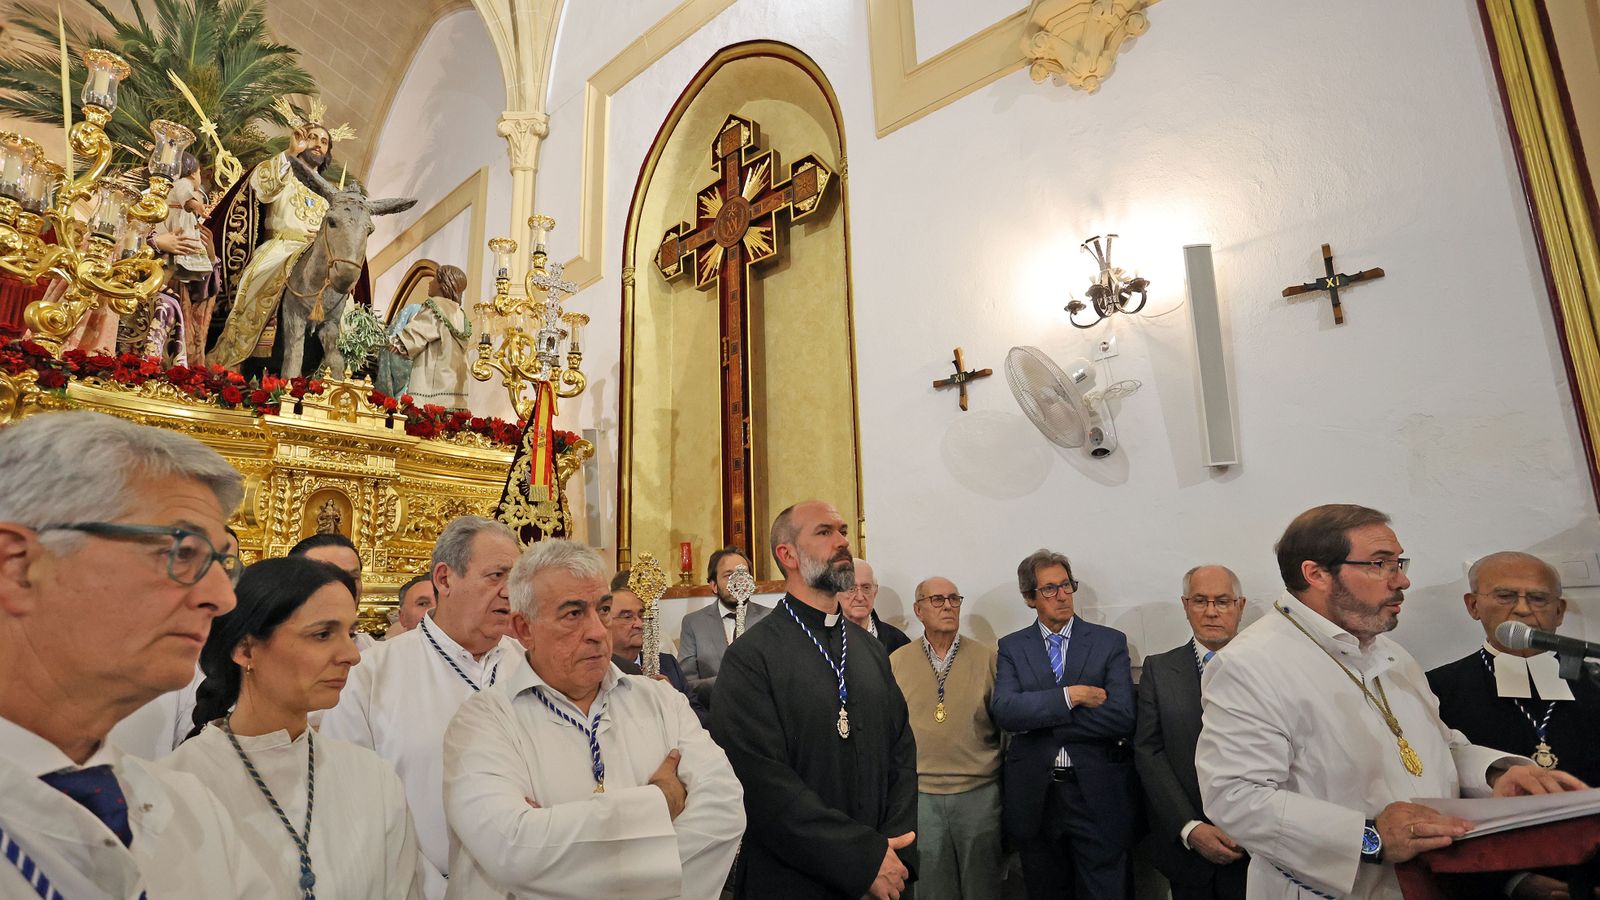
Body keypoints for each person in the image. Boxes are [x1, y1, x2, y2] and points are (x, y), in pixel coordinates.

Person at [1197, 504, 1588, 900]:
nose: (1402, 580)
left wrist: (1495, 775)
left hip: (1426, 882)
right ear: (1315, 574)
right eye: (1380, 564)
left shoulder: (1392, 654)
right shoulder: (1249, 663)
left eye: (1398, 562)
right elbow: (1235, 797)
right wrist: (1368, 837)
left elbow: (1439, 744)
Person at [0, 410, 271, 896]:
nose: (224, 599)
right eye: (181, 551)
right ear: (17, 567)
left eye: (220, 563)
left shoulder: (194, 814)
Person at [442, 539, 744, 898]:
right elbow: (512, 849)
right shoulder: (482, 722)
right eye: (573, 613)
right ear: (524, 630)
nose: (598, 632)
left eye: (602, 609)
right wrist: (661, 802)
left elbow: (725, 810)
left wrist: (559, 846)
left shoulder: (661, 700)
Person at [163, 556, 425, 898]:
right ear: (245, 649)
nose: (351, 654)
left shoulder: (373, 779)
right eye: (322, 634)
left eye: (350, 632)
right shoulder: (179, 786)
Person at [710, 500, 918, 900]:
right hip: (796, 879)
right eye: (825, 532)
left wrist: (893, 851)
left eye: (843, 531)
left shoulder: (870, 649)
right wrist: (861, 860)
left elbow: (902, 753)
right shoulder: (750, 657)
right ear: (787, 554)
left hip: (885, 876)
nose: (842, 542)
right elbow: (760, 782)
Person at [320, 515, 524, 899]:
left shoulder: (531, 668)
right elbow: (348, 802)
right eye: (496, 576)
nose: (509, 592)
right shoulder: (371, 674)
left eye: (515, 579)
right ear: (445, 579)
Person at [992, 548, 1137, 900]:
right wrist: (1070, 697)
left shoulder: (1108, 642)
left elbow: (1121, 715)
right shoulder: (1012, 647)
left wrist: (1040, 719)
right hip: (1037, 798)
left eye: (1067, 586)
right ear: (1030, 598)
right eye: (1050, 589)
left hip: (1097, 793)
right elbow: (1006, 712)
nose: (1062, 596)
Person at [208, 104, 365, 373]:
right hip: (280, 250)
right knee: (262, 287)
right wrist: (289, 154)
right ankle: (236, 356)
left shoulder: (328, 193)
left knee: (345, 306)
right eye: (313, 137)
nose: (318, 144)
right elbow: (264, 190)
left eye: (324, 141)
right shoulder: (282, 169)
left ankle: (338, 369)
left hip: (320, 257)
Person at [1135, 565, 1250, 900]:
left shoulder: (1269, 666)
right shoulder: (1158, 669)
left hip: (1258, 846)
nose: (1211, 611)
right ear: (1185, 606)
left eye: (1223, 601)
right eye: (1200, 601)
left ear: (1240, 606)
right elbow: (1149, 752)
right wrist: (1190, 827)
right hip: (1188, 850)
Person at [888, 576, 1002, 900]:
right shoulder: (897, 662)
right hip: (922, 795)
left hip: (978, 793)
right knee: (931, 891)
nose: (948, 606)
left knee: (984, 889)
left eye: (954, 598)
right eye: (937, 599)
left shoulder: (987, 658)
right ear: (918, 609)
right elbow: (890, 732)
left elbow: (1004, 727)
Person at [678, 546, 772, 709]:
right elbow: (687, 685)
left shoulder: (770, 618)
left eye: (743, 575)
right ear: (714, 585)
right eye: (729, 575)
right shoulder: (694, 623)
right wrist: (728, 681)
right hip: (714, 717)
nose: (738, 581)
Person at [607, 585, 708, 724]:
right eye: (627, 617)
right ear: (605, 622)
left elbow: (702, 720)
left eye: (642, 615)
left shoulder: (668, 663)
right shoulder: (600, 670)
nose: (639, 623)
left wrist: (673, 698)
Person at [390, 264, 472, 409]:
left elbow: (422, 328)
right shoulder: (460, 313)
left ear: (443, 284)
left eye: (434, 279)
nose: (430, 282)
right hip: (453, 388)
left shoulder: (436, 306)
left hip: (432, 386)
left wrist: (400, 343)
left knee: (426, 419)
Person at [289, 531, 374, 650]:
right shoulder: (271, 653)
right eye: (327, 577)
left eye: (352, 578)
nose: (344, 587)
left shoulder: (378, 656)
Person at [841, 557, 910, 654]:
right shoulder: (824, 639)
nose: (860, 597)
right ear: (836, 593)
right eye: (851, 588)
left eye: (866, 588)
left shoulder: (898, 641)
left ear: (875, 592)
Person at [389, 573, 436, 637]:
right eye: (423, 604)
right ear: (403, 617)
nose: (435, 609)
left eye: (442, 602)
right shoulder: (389, 647)